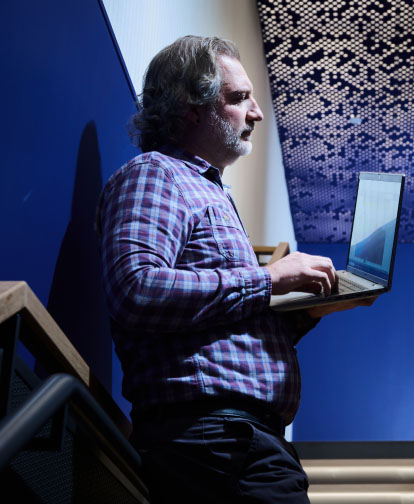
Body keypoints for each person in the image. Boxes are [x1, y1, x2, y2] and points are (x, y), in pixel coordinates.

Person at [96, 35, 370, 503]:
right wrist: (269, 280)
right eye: (239, 98)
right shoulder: (155, 175)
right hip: (213, 442)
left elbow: (218, 325)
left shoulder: (210, 191)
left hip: (238, 443)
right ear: (191, 109)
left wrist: (302, 314)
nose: (256, 113)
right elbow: (136, 291)